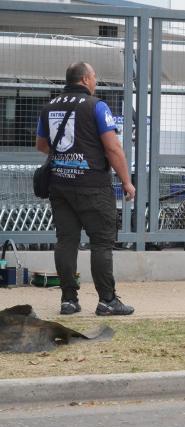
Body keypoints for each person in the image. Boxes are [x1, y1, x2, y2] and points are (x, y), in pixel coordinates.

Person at [35, 62, 136, 316]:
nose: (95, 82)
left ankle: (68, 300)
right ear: (85, 79)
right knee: (101, 243)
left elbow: (42, 145)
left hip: (60, 184)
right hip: (93, 186)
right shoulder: (97, 106)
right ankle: (107, 301)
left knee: (66, 241)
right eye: (94, 77)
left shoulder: (49, 107)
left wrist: (68, 158)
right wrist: (126, 181)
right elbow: (113, 148)